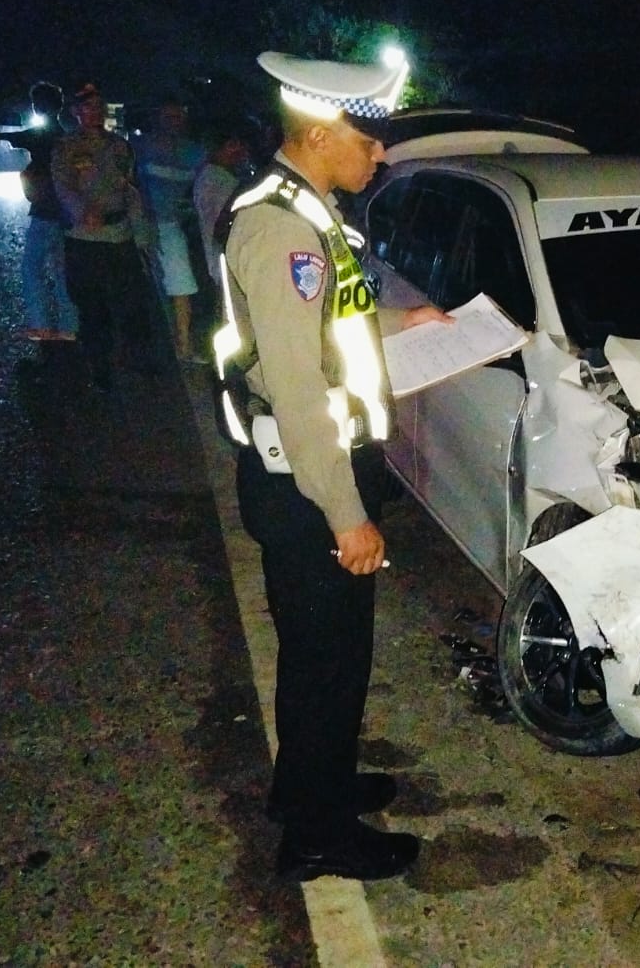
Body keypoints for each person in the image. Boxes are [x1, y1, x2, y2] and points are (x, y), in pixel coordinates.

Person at [212, 49, 444, 882]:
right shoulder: (282, 230)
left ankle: (310, 787)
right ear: (318, 134)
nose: (379, 155)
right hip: (307, 481)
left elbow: (328, 323)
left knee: (321, 657)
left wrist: (399, 317)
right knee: (329, 664)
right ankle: (318, 836)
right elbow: (300, 388)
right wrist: (347, 513)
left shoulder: (306, 210)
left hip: (305, 474)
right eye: (368, 139)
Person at [51, 82, 161, 390]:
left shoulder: (119, 146)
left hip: (120, 236)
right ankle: (99, 366)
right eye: (87, 107)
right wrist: (82, 211)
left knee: (133, 302)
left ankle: (138, 357)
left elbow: (132, 191)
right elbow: (62, 185)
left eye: (99, 107)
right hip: (84, 239)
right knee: (92, 305)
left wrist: (142, 237)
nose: (94, 112)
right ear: (76, 112)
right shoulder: (66, 147)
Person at [3, 81, 78, 343]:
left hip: (45, 211)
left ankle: (42, 325)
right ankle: (69, 327)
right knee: (62, 271)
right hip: (68, 212)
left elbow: (9, 136)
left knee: (31, 268)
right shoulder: (67, 137)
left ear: (38, 106)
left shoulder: (38, 136)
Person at [133, 98, 205, 362]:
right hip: (139, 225)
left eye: (178, 117)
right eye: (168, 117)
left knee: (182, 285)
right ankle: (149, 349)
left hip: (172, 226)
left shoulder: (195, 153)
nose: (173, 123)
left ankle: (184, 347)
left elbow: (200, 190)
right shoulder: (139, 148)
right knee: (144, 288)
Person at [192, 120, 253, 287]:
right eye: (237, 146)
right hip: (227, 265)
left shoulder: (215, 176)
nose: (243, 152)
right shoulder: (216, 180)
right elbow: (223, 226)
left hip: (223, 263)